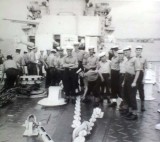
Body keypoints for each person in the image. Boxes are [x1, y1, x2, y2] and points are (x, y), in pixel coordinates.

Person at [122, 46, 140, 120]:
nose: (125, 54)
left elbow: (138, 71)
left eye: (127, 52)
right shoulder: (127, 61)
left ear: (130, 51)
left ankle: (135, 114)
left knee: (132, 97)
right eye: (124, 52)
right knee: (127, 96)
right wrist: (123, 81)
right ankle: (130, 111)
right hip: (127, 79)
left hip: (132, 79)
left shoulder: (135, 59)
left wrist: (134, 82)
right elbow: (126, 72)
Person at [135, 45, 147, 111]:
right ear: (135, 51)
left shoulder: (144, 58)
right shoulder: (133, 58)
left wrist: (144, 78)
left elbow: (145, 69)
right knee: (133, 91)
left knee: (141, 91)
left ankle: (142, 106)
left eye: (139, 50)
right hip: (134, 75)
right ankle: (134, 106)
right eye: (137, 50)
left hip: (141, 75)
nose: (138, 51)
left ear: (141, 51)